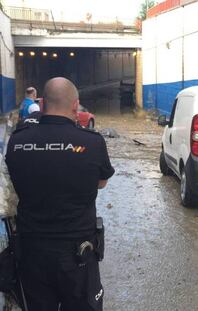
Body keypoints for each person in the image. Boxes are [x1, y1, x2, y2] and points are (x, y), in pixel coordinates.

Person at [5, 77, 114, 310]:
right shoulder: (92, 142)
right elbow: (101, 182)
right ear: (75, 106)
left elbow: (10, 186)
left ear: (42, 104)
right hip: (78, 254)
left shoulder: (17, 141)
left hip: (31, 251)